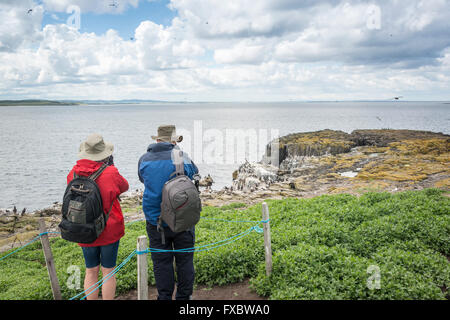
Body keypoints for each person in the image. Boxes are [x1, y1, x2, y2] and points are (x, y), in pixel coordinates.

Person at [138, 125, 199, 300]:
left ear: (157, 140)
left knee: (161, 263)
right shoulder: (182, 157)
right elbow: (194, 173)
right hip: (182, 218)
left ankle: (164, 297)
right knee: (185, 261)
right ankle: (183, 298)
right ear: (174, 141)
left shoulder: (144, 159)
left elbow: (143, 178)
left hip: (156, 220)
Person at [67, 133, 129, 300]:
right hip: (109, 229)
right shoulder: (111, 172)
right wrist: (110, 167)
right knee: (108, 271)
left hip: (84, 229)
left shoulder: (73, 173)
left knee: (91, 270)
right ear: (103, 154)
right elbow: (124, 186)